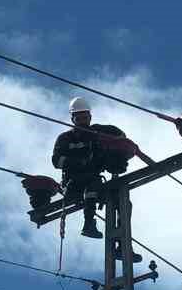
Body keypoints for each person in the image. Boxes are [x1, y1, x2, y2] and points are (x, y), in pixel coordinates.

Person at [51, 97, 128, 238]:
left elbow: (120, 136)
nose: (82, 121)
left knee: (121, 200)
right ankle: (88, 225)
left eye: (85, 118)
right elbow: (56, 160)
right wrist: (78, 162)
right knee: (92, 184)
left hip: (94, 180)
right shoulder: (65, 138)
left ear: (90, 117)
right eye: (79, 118)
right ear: (73, 119)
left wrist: (113, 143)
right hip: (72, 182)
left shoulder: (96, 133)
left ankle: (121, 242)